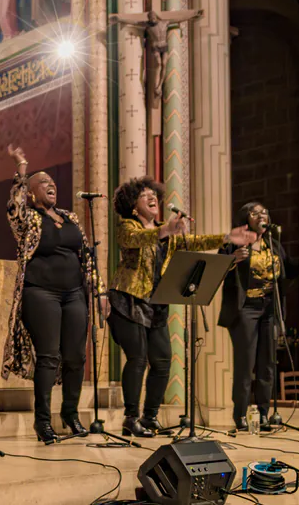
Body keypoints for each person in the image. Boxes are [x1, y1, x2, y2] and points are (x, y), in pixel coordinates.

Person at [107, 177, 256, 437]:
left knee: (163, 361)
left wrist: (226, 238)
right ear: (133, 206)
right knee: (138, 359)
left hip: (157, 303)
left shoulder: (168, 234)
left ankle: (150, 417)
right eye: (144, 195)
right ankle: (131, 418)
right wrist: (164, 230)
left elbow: (196, 242)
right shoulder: (127, 226)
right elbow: (135, 240)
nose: (152, 197)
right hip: (129, 300)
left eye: (154, 194)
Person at [1, 145, 107, 443]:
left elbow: (87, 257)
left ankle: (70, 415)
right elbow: (15, 210)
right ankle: (43, 422)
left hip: (74, 293)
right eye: (44, 184)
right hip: (41, 293)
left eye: (53, 184)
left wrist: (99, 293)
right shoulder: (29, 220)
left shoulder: (71, 218)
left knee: (75, 357)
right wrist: (22, 167)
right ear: (32, 193)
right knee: (48, 356)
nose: (51, 186)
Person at [217, 202, 299, 432]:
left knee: (267, 364)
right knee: (246, 365)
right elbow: (218, 269)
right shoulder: (234, 243)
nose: (262, 215)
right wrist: (234, 259)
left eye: (265, 211)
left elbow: (288, 269)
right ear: (246, 219)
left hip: (269, 309)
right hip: (245, 309)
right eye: (256, 212)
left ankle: (263, 413)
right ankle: (240, 414)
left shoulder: (273, 244)